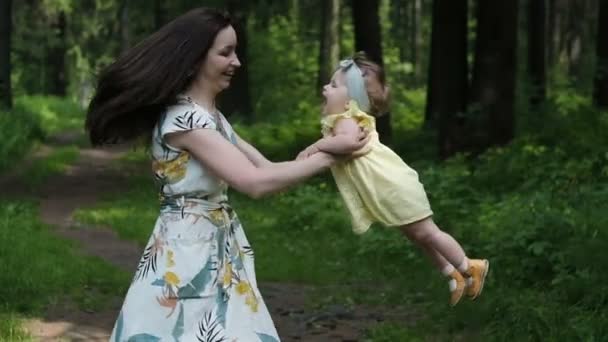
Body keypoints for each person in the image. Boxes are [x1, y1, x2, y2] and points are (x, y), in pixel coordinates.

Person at [85, 8, 368, 341]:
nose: (237, 62)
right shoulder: (185, 120)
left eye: (235, 51)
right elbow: (254, 183)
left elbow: (267, 170)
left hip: (217, 247)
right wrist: (329, 157)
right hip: (187, 255)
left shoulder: (211, 117)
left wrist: (330, 146)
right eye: (225, 52)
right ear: (194, 59)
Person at [297, 52, 489, 307]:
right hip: (389, 191)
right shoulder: (344, 120)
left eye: (333, 85)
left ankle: (469, 265)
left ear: (350, 102)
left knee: (428, 233)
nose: (325, 88)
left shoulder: (348, 122)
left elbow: (344, 143)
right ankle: (452, 275)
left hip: (396, 188)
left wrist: (315, 147)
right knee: (418, 236)